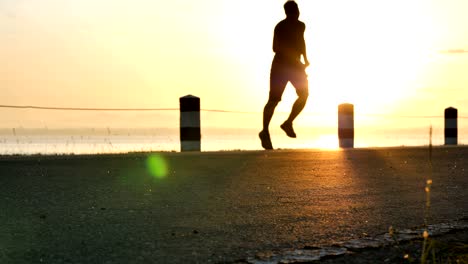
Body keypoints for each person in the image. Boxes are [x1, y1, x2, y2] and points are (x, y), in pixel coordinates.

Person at [259, 0, 309, 150]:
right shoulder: (280, 27)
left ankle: (288, 123)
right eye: (296, 9)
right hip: (280, 67)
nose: (298, 12)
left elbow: (302, 42)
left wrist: (305, 59)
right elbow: (276, 48)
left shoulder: (301, 25)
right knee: (274, 100)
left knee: (304, 94)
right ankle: (265, 131)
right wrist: (295, 60)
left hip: (296, 67)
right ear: (290, 12)